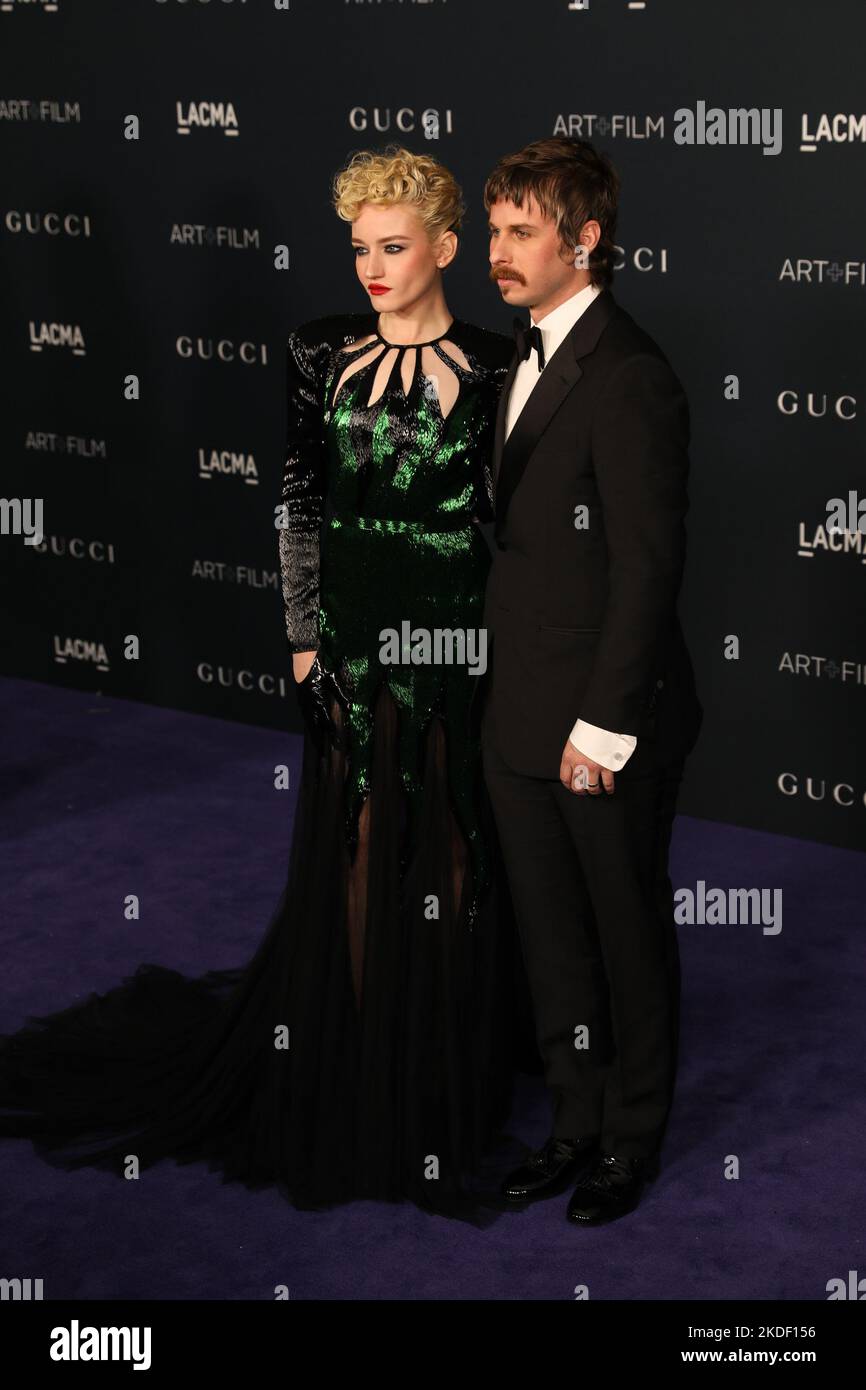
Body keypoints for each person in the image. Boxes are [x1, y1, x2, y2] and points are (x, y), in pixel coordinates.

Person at [0, 146, 528, 1224]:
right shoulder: (315, 350)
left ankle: (434, 1070)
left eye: (392, 247)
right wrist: (299, 636)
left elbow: (502, 519)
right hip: (345, 627)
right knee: (360, 834)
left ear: (443, 247)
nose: (372, 268)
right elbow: (296, 489)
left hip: (451, 628)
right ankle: (356, 1062)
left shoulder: (498, 358)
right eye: (357, 249)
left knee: (457, 836)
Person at [480, 136, 703, 1225]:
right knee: (549, 938)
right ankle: (571, 1122)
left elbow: (646, 566)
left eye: (521, 231)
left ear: (586, 239)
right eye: (492, 230)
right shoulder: (517, 355)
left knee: (621, 931)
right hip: (516, 709)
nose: (497, 252)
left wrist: (602, 727)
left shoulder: (629, 374)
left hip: (600, 720)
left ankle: (630, 1139)